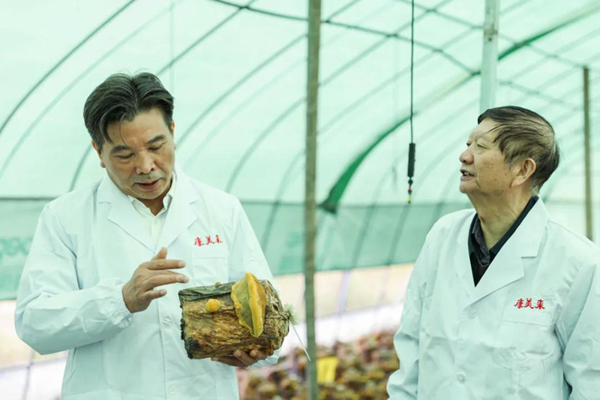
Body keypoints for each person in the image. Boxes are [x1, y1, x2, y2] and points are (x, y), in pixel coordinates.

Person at [15, 72, 279, 399]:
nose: (145, 166)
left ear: (173, 132)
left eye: (156, 146)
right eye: (125, 155)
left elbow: (269, 313)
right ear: (99, 152)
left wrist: (255, 351)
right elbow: (36, 324)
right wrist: (120, 300)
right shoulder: (65, 217)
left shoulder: (222, 209)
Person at [387, 106, 600, 399]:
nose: (465, 156)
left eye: (481, 146)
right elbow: (411, 346)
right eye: (468, 144)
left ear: (522, 170)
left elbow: (591, 382)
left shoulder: (578, 263)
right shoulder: (442, 236)